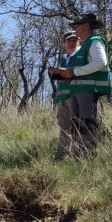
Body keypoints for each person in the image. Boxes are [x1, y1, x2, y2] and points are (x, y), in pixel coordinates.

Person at [50, 13, 110, 158]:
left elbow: (101, 62)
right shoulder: (86, 45)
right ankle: (79, 156)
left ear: (86, 25)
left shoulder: (94, 42)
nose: (75, 29)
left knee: (86, 122)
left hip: (88, 90)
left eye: (77, 25)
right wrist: (67, 75)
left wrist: (74, 72)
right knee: (78, 124)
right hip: (78, 90)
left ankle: (87, 156)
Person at [51, 31, 80, 160]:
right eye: (69, 40)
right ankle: (62, 154)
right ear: (64, 43)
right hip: (62, 97)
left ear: (78, 42)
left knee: (76, 126)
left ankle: (77, 154)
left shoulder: (80, 55)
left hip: (75, 95)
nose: (71, 43)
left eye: (74, 40)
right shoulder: (64, 58)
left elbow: (81, 72)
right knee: (63, 126)